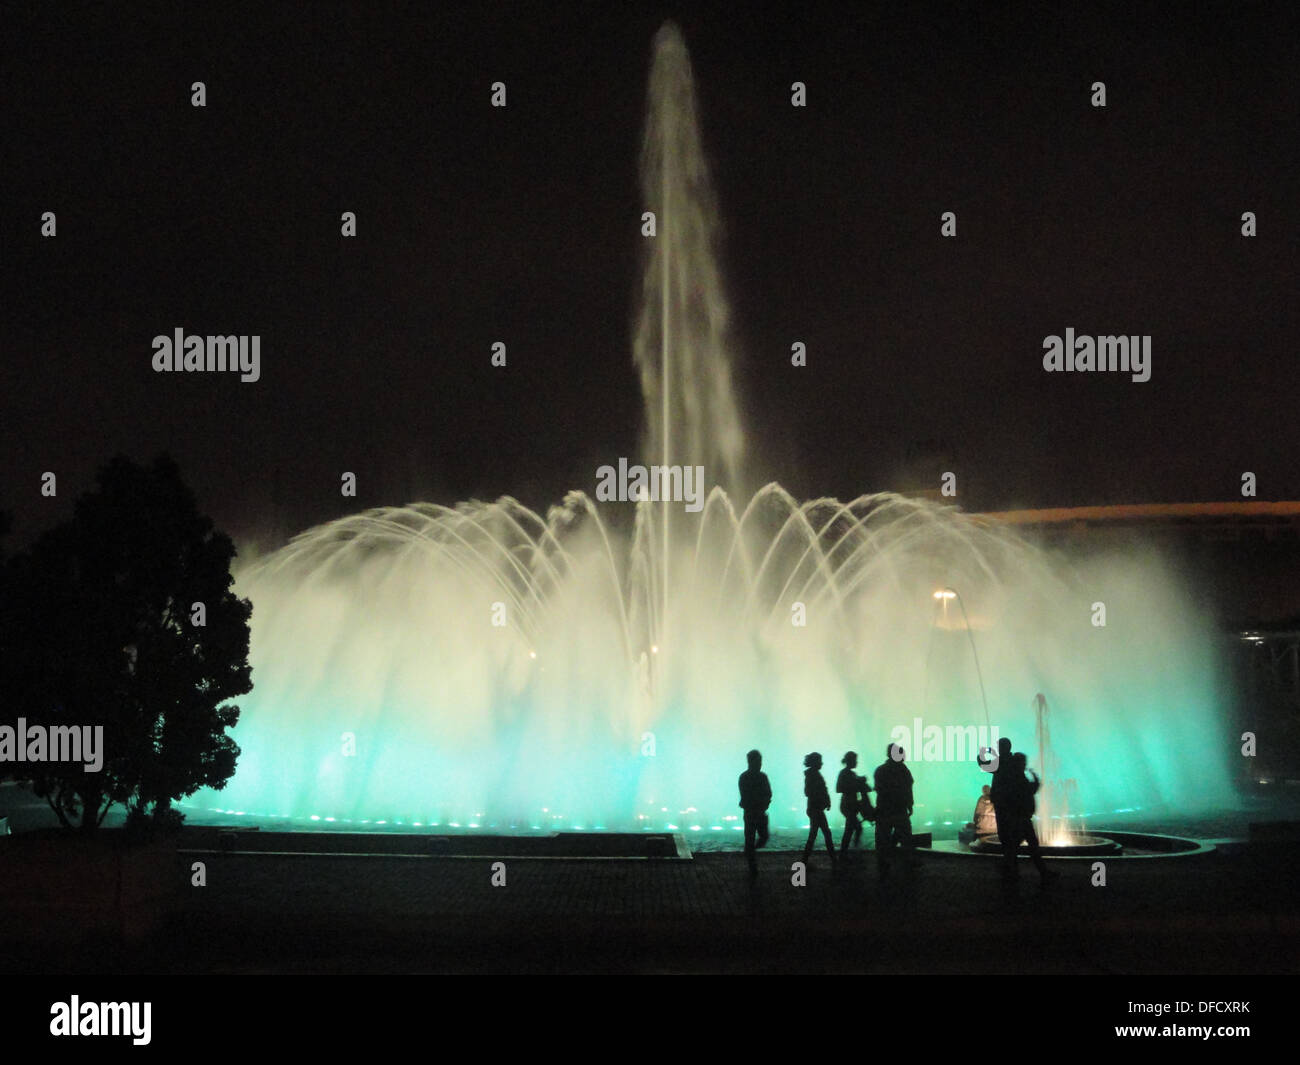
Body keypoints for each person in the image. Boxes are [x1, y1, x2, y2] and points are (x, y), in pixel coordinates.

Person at [995, 752, 1058, 888]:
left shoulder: (1014, 776)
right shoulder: (1016, 777)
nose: (1025, 765)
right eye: (1023, 762)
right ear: (1019, 763)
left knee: (1017, 848)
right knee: (1028, 847)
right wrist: (1036, 780)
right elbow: (1027, 791)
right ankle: (1036, 873)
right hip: (1021, 819)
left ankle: (1012, 872)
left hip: (1020, 818)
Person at [873, 743, 914, 877]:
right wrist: (909, 804)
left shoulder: (880, 770)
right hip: (899, 809)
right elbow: (908, 788)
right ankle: (905, 863)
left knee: (882, 838)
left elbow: (879, 789)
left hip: (884, 810)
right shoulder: (904, 770)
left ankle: (883, 863)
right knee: (905, 836)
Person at [738, 749, 772, 879]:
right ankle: (752, 865)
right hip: (754, 812)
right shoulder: (758, 777)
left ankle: (749, 853)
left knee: (756, 838)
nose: (760, 764)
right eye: (758, 761)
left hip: (753, 812)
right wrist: (764, 802)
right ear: (751, 762)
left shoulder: (745, 777)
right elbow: (768, 792)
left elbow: (767, 792)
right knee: (758, 838)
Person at [802, 752, 837, 868]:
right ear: (815, 762)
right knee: (825, 833)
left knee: (815, 834)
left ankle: (805, 860)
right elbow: (809, 792)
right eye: (820, 761)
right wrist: (825, 800)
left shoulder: (811, 775)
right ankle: (833, 859)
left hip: (814, 808)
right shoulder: (814, 775)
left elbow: (809, 792)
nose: (821, 763)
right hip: (816, 809)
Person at [836, 751, 871, 854]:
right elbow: (838, 788)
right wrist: (858, 782)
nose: (856, 762)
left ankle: (847, 851)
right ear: (850, 761)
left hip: (850, 805)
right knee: (856, 828)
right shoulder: (846, 773)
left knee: (850, 829)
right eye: (855, 760)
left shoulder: (850, 774)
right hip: (848, 805)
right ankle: (852, 850)